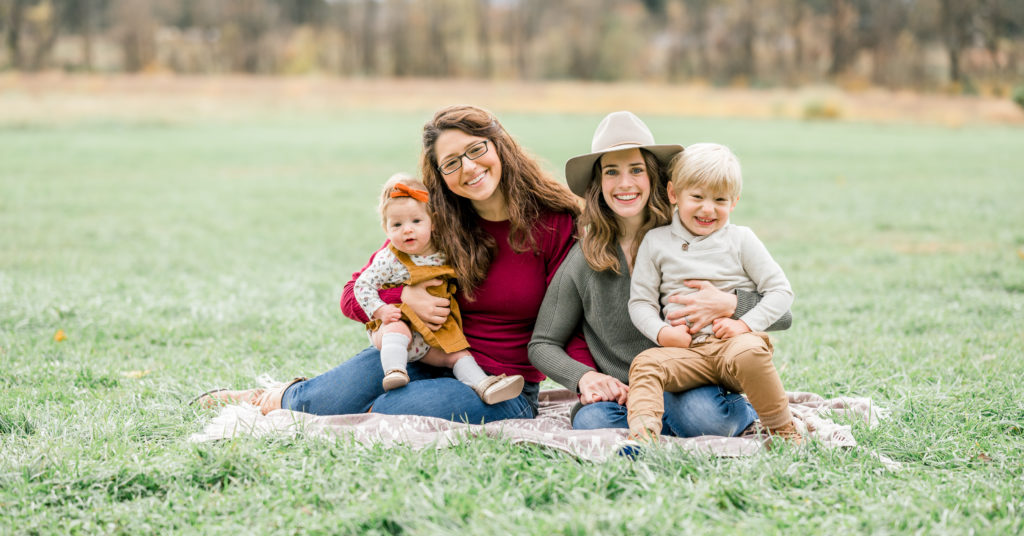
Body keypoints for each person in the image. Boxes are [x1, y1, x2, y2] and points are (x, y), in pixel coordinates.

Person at [199, 104, 587, 422]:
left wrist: (590, 379)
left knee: (389, 411)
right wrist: (404, 299)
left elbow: (573, 322)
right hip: (424, 356)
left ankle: (344, 397)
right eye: (451, 162)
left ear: (499, 145)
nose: (468, 168)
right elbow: (354, 293)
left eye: (475, 149)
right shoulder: (435, 222)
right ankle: (278, 395)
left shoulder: (554, 224)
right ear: (440, 176)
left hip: (503, 385)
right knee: (319, 405)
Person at [529, 111, 791, 437]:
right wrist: (585, 377)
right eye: (612, 172)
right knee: (591, 423)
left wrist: (729, 304)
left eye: (636, 170)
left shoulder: (690, 236)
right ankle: (660, 425)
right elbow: (542, 343)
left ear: (655, 178)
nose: (625, 183)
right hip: (626, 392)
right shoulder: (585, 259)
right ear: (598, 184)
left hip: (691, 379)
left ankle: (715, 413)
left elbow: (783, 313)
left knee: (707, 418)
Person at [626, 142, 802, 444]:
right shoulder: (656, 242)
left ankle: (784, 432)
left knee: (750, 352)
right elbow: (640, 302)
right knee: (645, 364)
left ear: (734, 203)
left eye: (720, 200)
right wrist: (662, 334)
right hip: (684, 352)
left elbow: (780, 292)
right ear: (674, 194)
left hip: (732, 346)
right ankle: (642, 439)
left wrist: (743, 324)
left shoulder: (741, 240)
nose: (708, 208)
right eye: (697, 197)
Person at [354, 173, 524, 404]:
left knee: (457, 354)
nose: (407, 230)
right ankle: (395, 371)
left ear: (432, 222)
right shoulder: (389, 259)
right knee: (398, 329)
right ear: (386, 229)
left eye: (416, 221)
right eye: (397, 224)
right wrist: (381, 310)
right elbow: (362, 285)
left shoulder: (443, 252)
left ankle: (484, 385)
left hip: (429, 338)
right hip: (395, 333)